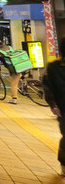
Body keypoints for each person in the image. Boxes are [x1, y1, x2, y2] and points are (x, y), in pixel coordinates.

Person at [42, 37, 65, 177]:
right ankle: (63, 163)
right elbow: (47, 86)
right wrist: (53, 104)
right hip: (63, 107)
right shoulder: (53, 67)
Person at [0, 38, 19, 104]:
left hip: (14, 68)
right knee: (15, 77)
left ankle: (14, 99)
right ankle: (23, 85)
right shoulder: (9, 47)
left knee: (13, 83)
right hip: (20, 64)